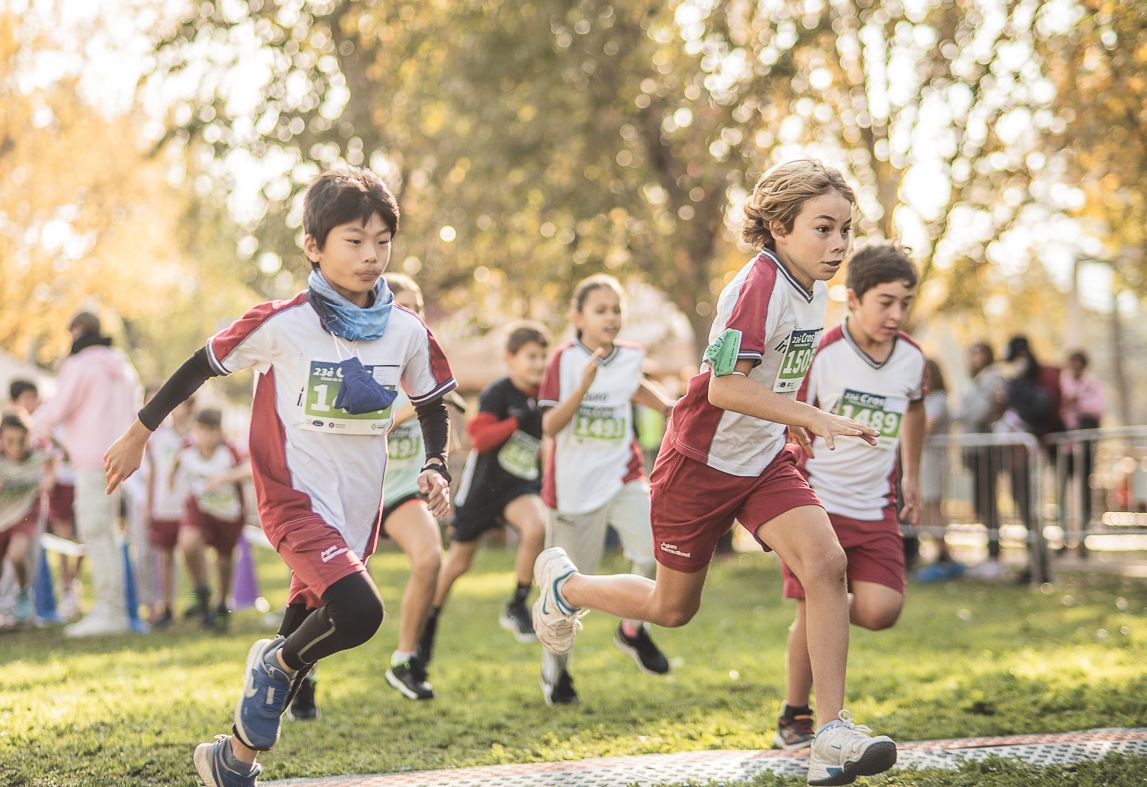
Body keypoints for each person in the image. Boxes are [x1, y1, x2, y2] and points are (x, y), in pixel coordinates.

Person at [532, 159, 896, 785]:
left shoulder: (813, 290)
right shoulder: (758, 284)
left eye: (845, 229)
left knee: (827, 564)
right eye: (824, 228)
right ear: (780, 227)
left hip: (761, 462)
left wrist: (794, 421)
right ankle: (566, 587)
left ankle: (830, 734)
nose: (839, 245)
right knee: (672, 610)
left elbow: (773, 379)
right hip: (697, 466)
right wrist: (813, 413)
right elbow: (724, 389)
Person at [103, 167, 457, 787]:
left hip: (355, 512)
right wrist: (141, 430)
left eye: (382, 241)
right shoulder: (284, 323)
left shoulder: (406, 330)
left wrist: (435, 463)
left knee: (300, 640)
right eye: (354, 240)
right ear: (314, 247)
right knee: (359, 613)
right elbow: (201, 364)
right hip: (293, 503)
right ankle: (276, 663)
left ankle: (232, 761)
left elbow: (432, 401)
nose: (372, 255)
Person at [775, 242, 925, 750]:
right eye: (886, 302)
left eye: (905, 302)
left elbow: (917, 411)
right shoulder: (823, 352)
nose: (897, 314)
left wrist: (913, 476)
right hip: (818, 504)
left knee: (883, 610)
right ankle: (796, 716)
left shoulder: (912, 357)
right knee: (812, 608)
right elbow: (789, 412)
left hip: (876, 506)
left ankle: (829, 612)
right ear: (854, 300)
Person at [535, 273, 676, 706]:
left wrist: (671, 407)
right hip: (575, 491)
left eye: (616, 309)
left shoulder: (631, 356)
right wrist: (582, 388)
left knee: (656, 553)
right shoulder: (564, 358)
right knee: (566, 593)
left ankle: (632, 629)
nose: (611, 317)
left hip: (623, 476)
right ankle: (555, 674)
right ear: (578, 317)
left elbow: (631, 387)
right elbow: (549, 426)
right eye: (600, 310)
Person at [417, 321, 551, 668]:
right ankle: (427, 622)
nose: (538, 364)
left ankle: (518, 603)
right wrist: (513, 422)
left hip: (518, 488)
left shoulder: (545, 397)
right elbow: (479, 437)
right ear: (510, 359)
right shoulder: (498, 392)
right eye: (530, 357)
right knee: (458, 564)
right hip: (482, 491)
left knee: (538, 527)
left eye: (542, 357)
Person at [35, 310, 141, 637]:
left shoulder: (80, 365)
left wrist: (32, 428)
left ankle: (110, 611)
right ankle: (115, 608)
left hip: (91, 460)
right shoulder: (122, 365)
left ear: (77, 330)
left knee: (96, 531)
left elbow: (58, 407)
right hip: (119, 459)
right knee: (107, 533)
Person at [174, 407, 249, 631]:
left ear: (219, 432)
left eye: (211, 431)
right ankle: (201, 589)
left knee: (224, 560)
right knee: (188, 543)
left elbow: (250, 470)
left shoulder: (230, 451)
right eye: (201, 430)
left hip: (229, 512)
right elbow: (175, 466)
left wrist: (222, 479)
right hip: (200, 507)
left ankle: (222, 606)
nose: (206, 436)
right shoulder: (187, 449)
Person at [143, 391, 195, 628]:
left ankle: (197, 599)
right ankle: (166, 605)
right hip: (164, 504)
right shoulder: (159, 437)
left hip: (190, 504)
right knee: (165, 556)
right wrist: (149, 505)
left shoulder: (196, 436)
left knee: (192, 552)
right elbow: (153, 472)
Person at [954, 342, 1006, 575]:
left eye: (977, 354)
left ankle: (994, 553)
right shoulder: (976, 381)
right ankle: (990, 551)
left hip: (987, 449)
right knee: (981, 502)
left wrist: (962, 412)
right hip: (974, 448)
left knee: (988, 501)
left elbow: (978, 412)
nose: (972, 359)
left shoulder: (992, 378)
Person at [0, 413, 54, 625]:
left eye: (21, 440)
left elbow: (58, 457)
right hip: (2, 515)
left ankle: (22, 592)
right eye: (9, 441)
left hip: (26, 514)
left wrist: (49, 479)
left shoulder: (37, 456)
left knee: (16, 555)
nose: (15, 447)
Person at [915, 359, 963, 582]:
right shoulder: (925, 400)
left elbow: (926, 427)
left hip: (933, 459)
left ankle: (943, 555)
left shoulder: (937, 399)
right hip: (923, 459)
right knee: (927, 506)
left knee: (933, 506)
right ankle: (941, 552)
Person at [1059, 349, 1105, 549]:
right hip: (1064, 447)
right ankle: (1064, 535)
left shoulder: (1093, 386)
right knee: (1062, 491)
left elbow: (1099, 409)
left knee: (1084, 490)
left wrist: (1079, 404)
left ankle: (1083, 537)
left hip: (1085, 446)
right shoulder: (1062, 385)